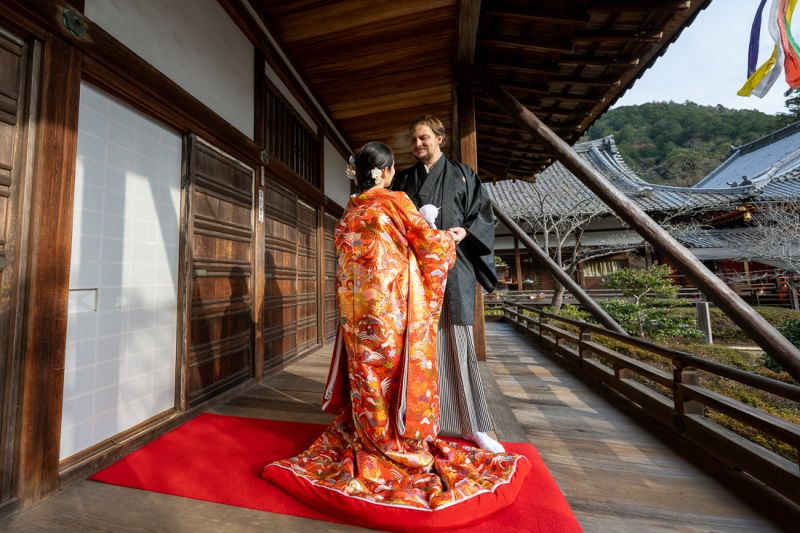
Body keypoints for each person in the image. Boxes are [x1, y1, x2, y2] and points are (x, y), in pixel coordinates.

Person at [263, 142, 529, 532]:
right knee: (392, 377)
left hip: (355, 315)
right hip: (388, 313)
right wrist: (448, 235)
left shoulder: (349, 212)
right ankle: (392, 441)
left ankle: (368, 436)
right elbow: (431, 247)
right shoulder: (395, 202)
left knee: (366, 380)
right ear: (385, 172)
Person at [390, 116, 503, 453]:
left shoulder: (465, 175)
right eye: (413, 139)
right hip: (416, 273)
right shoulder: (403, 180)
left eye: (423, 137)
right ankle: (418, 421)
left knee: (457, 343)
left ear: (440, 138)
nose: (417, 144)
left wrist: (463, 232)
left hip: (455, 269)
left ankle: (473, 425)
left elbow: (482, 215)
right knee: (415, 347)